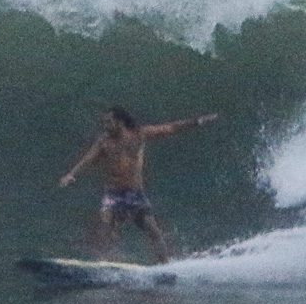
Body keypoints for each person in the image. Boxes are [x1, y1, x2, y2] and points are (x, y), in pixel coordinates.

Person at [58, 107, 218, 264]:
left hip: (135, 193)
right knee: (106, 225)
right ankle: (108, 262)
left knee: (152, 230)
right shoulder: (103, 142)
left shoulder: (138, 134)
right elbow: (88, 160)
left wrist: (197, 122)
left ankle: (164, 265)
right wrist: (71, 174)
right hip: (113, 194)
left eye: (109, 122)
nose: (105, 125)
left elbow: (170, 128)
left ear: (119, 122)